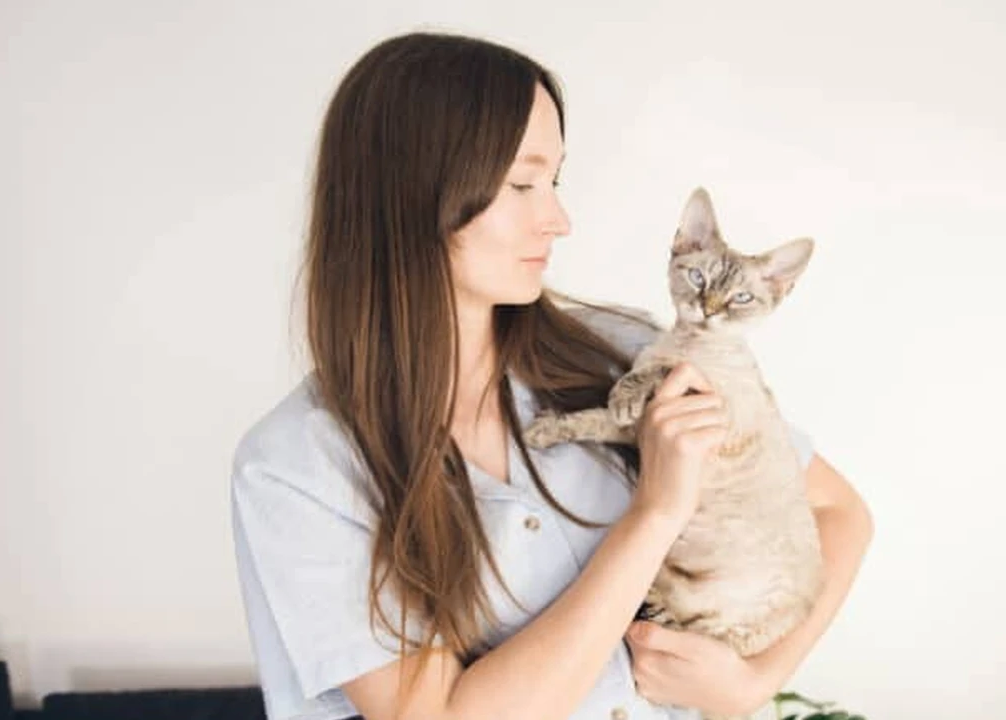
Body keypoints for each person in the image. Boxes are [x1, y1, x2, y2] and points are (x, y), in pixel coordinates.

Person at [229, 31, 873, 720]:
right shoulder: (298, 468)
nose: (558, 219)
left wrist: (751, 682)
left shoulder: (630, 355)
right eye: (523, 183)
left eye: (555, 181)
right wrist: (654, 514)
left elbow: (839, 514)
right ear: (414, 194)